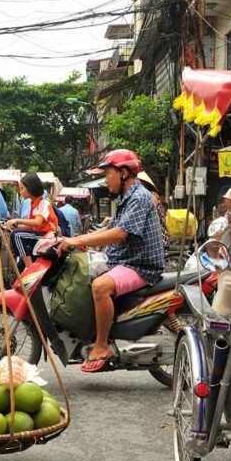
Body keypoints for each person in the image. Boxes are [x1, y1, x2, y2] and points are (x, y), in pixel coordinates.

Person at [57, 150, 164, 371]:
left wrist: (76, 240)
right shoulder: (126, 197)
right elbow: (110, 228)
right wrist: (81, 240)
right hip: (123, 259)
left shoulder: (139, 197)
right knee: (82, 270)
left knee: (100, 287)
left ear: (123, 173)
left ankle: (101, 345)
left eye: (108, 173)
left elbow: (119, 234)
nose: (106, 180)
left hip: (140, 265)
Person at [4, 172, 58, 265]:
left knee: (17, 235)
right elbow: (31, 227)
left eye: (22, 188)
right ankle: (26, 268)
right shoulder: (33, 204)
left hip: (48, 237)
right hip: (41, 235)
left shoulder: (43, 203)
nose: (20, 192)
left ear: (30, 188)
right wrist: (16, 227)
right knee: (19, 267)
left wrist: (17, 220)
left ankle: (30, 268)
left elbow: (37, 222)